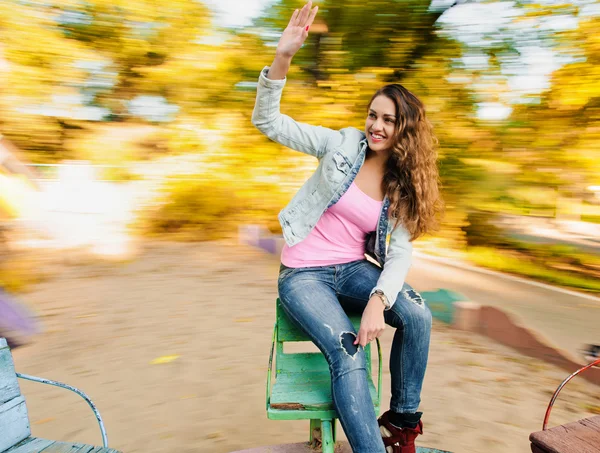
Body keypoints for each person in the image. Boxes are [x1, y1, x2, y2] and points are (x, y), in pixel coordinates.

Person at [251, 2, 443, 452]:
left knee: (417, 314)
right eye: (373, 115)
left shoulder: (403, 185)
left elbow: (399, 254)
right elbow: (269, 123)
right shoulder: (341, 144)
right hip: (304, 275)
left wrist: (378, 300)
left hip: (352, 269)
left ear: (404, 131)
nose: (376, 125)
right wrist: (283, 58)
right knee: (348, 354)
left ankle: (401, 422)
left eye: (388, 120)